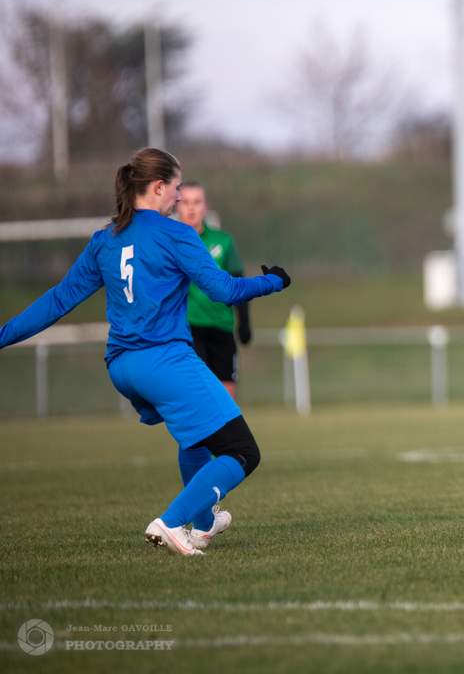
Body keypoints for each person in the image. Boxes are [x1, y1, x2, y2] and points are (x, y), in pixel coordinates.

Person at [0, 148, 290, 556]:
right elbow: (223, 290)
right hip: (164, 361)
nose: (178, 199)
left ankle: (204, 524)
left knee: (194, 439)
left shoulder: (105, 239)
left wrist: (2, 335)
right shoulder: (176, 234)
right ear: (157, 187)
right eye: (175, 189)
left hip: (122, 367)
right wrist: (274, 282)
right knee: (243, 451)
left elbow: (58, 301)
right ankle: (170, 522)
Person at [176, 181, 252, 399]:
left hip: (221, 327)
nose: (191, 208)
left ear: (205, 206)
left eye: (196, 202)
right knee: (200, 395)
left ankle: (225, 434)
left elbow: (238, 283)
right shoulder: (170, 243)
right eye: (185, 202)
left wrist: (244, 322)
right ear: (177, 206)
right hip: (189, 329)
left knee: (227, 398)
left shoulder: (223, 242)